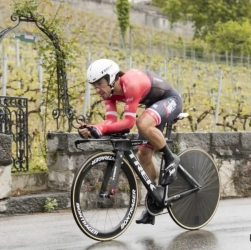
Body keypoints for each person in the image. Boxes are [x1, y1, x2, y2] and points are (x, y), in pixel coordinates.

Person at [78, 58, 182, 225]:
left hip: (170, 100)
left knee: (142, 122)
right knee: (143, 154)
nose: (97, 90)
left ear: (111, 78)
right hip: (153, 107)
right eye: (94, 86)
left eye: (99, 84)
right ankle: (154, 200)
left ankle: (171, 158)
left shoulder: (130, 84)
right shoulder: (109, 95)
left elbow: (128, 124)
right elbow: (110, 122)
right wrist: (93, 128)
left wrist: (101, 128)